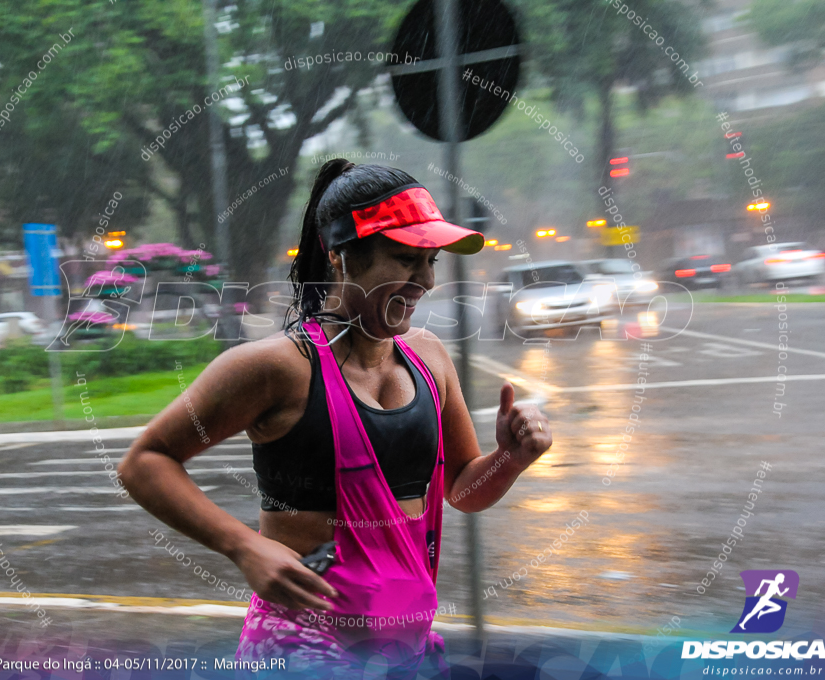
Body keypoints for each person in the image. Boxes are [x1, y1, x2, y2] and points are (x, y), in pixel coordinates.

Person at [119, 160, 553, 678]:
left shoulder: (430, 357)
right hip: (305, 649)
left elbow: (462, 489)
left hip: (406, 650)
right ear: (341, 256)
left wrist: (510, 457)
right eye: (406, 259)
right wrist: (244, 547)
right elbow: (144, 462)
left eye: (431, 261)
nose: (427, 280)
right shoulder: (276, 368)